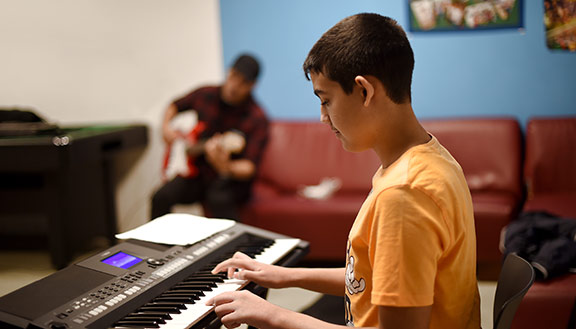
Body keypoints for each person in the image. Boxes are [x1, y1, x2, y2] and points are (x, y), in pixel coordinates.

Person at [206, 13, 481, 329]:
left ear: (365, 92)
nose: (323, 117)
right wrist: (283, 276)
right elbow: (372, 278)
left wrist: (274, 315)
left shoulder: (405, 195)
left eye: (326, 100)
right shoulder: (431, 160)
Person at [151, 54, 269, 221]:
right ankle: (158, 246)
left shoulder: (257, 117)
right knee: (160, 197)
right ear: (229, 72)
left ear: (252, 86)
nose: (234, 86)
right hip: (197, 173)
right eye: (234, 76)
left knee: (219, 198)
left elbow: (249, 167)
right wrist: (166, 128)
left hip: (230, 181)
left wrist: (226, 167)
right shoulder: (206, 94)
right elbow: (174, 105)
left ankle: (234, 246)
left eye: (243, 82)